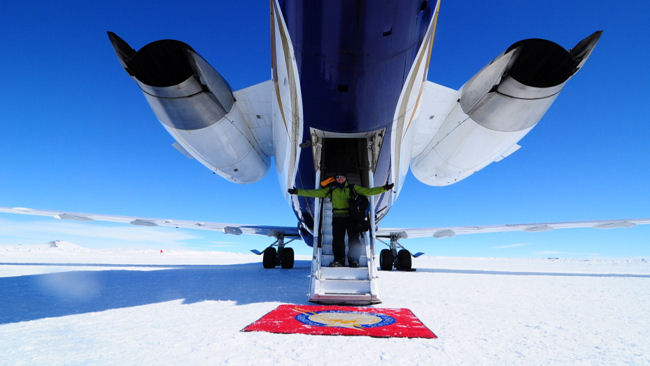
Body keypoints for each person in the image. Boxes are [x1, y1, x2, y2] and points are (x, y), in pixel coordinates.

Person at [288, 174, 393, 267]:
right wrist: (297, 191)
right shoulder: (331, 189)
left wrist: (384, 188)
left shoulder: (353, 188)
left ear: (345, 178)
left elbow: (369, 192)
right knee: (338, 240)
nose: (340, 179)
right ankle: (339, 260)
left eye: (342, 177)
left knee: (354, 240)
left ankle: (354, 261)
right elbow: (314, 193)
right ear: (335, 179)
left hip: (351, 218)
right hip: (337, 217)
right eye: (338, 177)